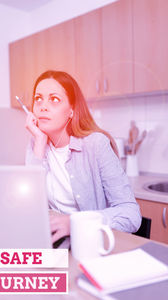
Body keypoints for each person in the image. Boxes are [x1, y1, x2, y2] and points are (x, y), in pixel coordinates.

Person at [25, 70, 141, 244]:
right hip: (58, 241)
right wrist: (39, 143)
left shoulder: (96, 144)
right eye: (38, 99)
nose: (43, 106)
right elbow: (29, 204)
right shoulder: (36, 142)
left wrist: (75, 223)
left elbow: (131, 214)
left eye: (54, 99)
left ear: (71, 110)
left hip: (96, 242)